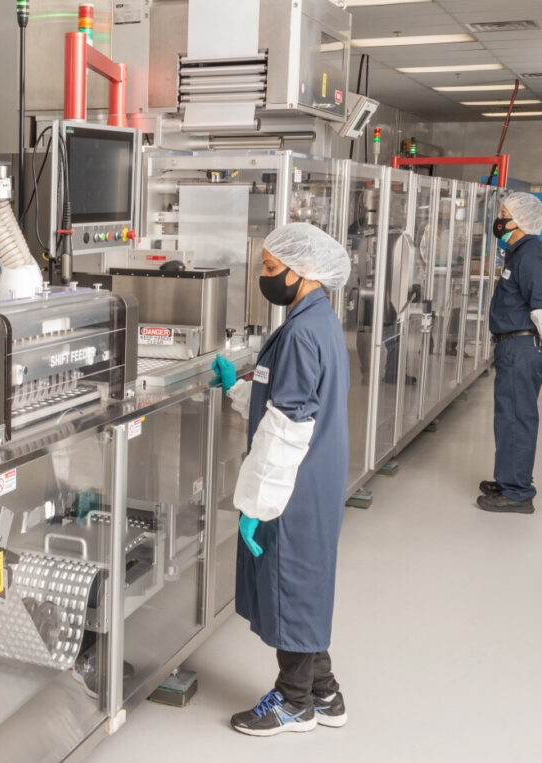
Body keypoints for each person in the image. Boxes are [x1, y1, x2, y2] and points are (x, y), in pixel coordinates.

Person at [211, 222, 351, 737]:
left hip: (295, 482)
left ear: (303, 272)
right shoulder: (318, 322)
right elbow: (284, 405)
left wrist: (255, 503)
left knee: (290, 587)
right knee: (307, 586)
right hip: (316, 477)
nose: (265, 279)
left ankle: (294, 703)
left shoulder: (300, 333)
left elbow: (287, 429)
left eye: (271, 270)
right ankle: (325, 690)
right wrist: (237, 390)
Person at [478, 193, 542, 513]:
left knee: (516, 418)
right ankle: (508, 478)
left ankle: (517, 492)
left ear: (521, 221)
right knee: (509, 417)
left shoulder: (528, 255)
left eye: (504, 214)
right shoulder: (519, 253)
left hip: (522, 347)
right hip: (513, 345)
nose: (498, 220)